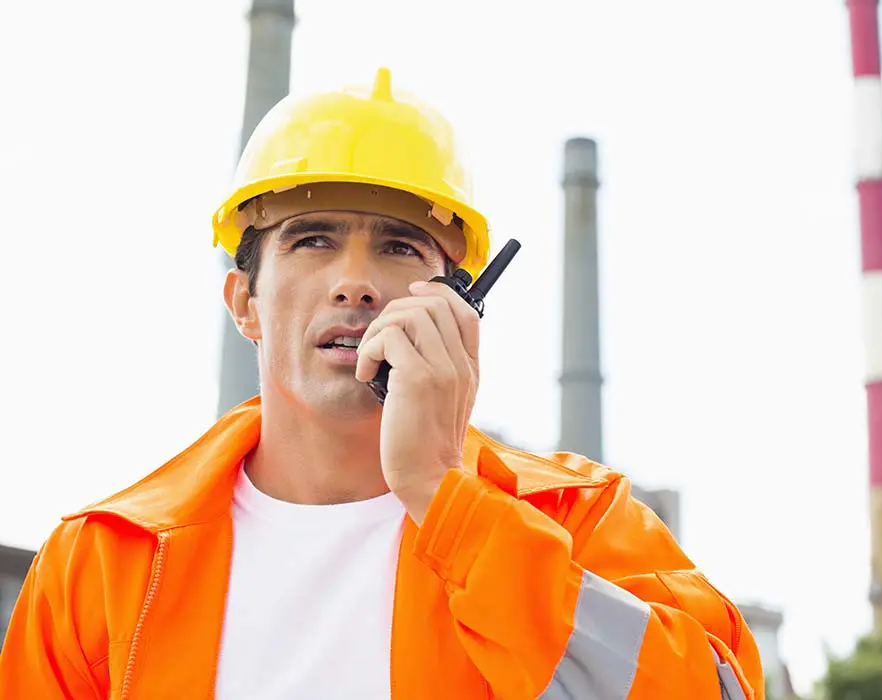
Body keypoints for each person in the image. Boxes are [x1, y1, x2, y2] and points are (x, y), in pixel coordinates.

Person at [0, 67, 764, 699]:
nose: (357, 284)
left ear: (463, 306)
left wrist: (444, 496)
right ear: (245, 303)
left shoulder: (581, 522)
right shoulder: (101, 565)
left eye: (399, 247)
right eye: (313, 239)